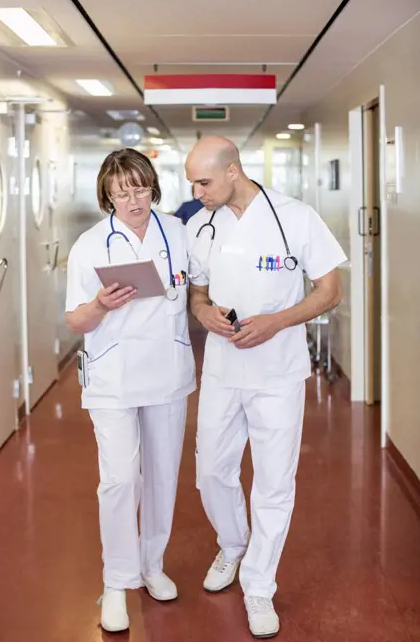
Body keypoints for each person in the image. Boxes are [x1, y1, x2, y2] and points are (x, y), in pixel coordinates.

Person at [185, 136, 346, 638]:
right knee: (211, 470)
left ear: (233, 171)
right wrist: (204, 313)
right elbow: (197, 293)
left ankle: (259, 585)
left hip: (278, 372)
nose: (196, 191)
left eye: (204, 181)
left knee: (274, 483)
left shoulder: (294, 217)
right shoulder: (199, 224)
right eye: (192, 182)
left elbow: (329, 291)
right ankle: (233, 544)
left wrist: (276, 321)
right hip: (221, 370)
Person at [65, 148, 196, 633]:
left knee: (162, 475)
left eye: (140, 188)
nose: (133, 200)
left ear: (152, 187)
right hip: (114, 376)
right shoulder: (90, 245)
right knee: (120, 479)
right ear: (107, 195)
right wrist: (99, 306)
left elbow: (197, 288)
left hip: (167, 370)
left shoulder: (177, 233)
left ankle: (151, 566)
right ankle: (117, 580)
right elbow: (74, 318)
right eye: (122, 192)